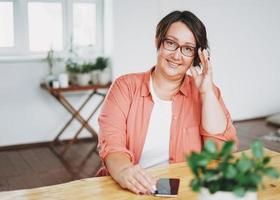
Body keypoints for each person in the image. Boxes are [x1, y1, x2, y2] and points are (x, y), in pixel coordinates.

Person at [97, 10, 238, 195]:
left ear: (197, 56)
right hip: (127, 188)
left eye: (187, 49)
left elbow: (223, 152)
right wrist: (124, 171)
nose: (177, 56)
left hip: (185, 190)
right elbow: (112, 145)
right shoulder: (125, 86)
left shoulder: (207, 92)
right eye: (171, 43)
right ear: (158, 41)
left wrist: (207, 93)